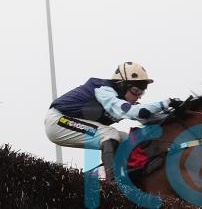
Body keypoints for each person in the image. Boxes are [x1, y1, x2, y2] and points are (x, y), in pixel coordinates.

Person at [44, 62, 182, 181]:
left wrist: (177, 112)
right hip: (58, 121)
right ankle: (112, 181)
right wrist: (166, 103)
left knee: (129, 140)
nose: (138, 97)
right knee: (109, 134)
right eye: (135, 91)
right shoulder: (104, 91)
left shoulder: (121, 100)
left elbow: (148, 117)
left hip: (70, 122)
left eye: (141, 93)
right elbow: (134, 112)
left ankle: (98, 176)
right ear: (122, 85)